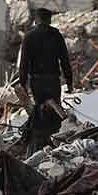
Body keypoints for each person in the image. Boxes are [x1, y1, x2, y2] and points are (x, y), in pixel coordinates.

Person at [17, 8, 74, 151]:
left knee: (40, 110)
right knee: (55, 109)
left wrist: (23, 83)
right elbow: (64, 60)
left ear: (36, 20)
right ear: (49, 20)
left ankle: (40, 142)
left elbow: (24, 63)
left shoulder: (29, 36)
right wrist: (69, 81)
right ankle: (55, 139)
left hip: (37, 81)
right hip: (53, 80)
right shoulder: (56, 35)